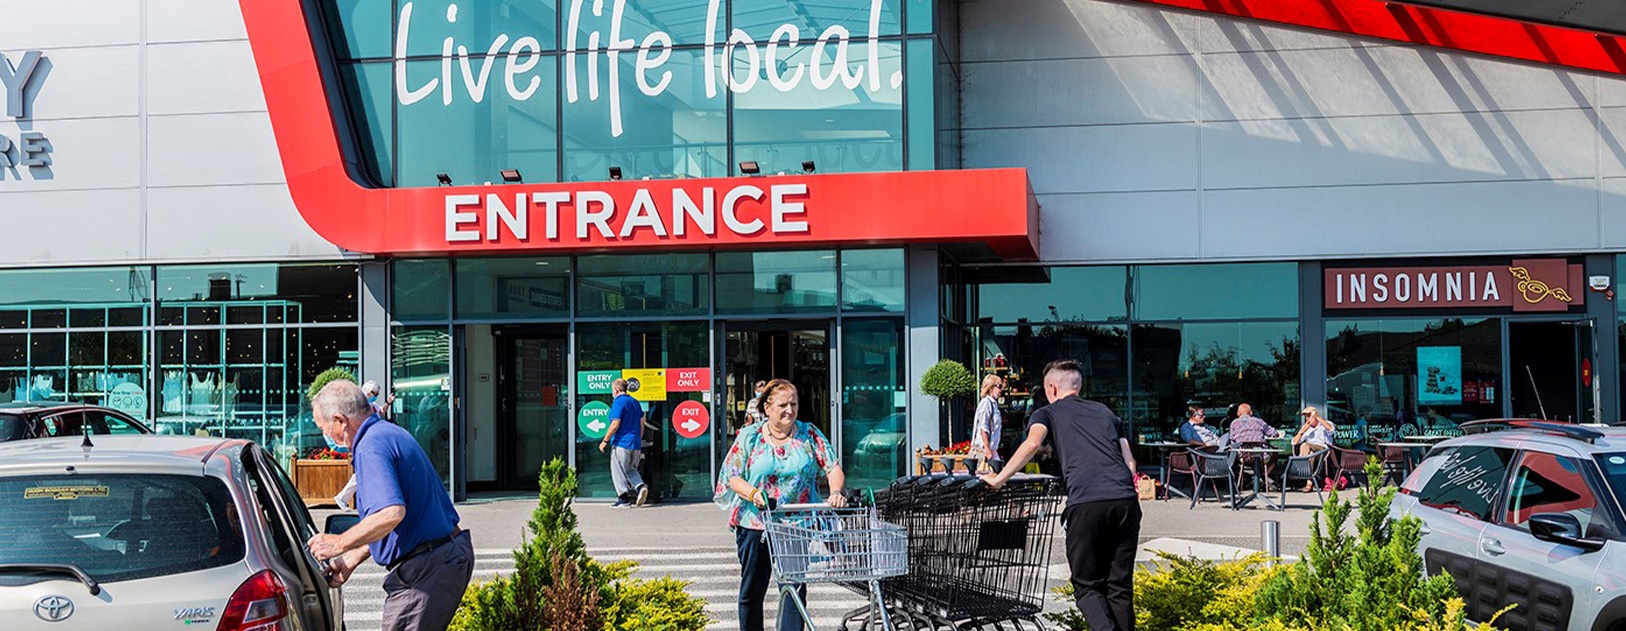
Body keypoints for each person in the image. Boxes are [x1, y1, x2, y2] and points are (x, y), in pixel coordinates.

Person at [982, 360, 1139, 631]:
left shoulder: (1047, 412)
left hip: (1086, 500)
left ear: (1052, 388)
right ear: (1079, 386)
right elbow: (1130, 463)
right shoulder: (1106, 413)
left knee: (1087, 586)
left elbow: (1032, 443)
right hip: (1125, 500)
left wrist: (998, 479)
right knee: (1119, 586)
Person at [305, 380, 472, 631]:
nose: (326, 436)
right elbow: (393, 522)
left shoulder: (370, 447)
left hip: (426, 568)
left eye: (324, 428)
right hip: (440, 557)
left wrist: (339, 543)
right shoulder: (387, 433)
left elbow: (390, 514)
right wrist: (352, 557)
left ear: (340, 421)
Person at [715, 379, 847, 631]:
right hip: (755, 523)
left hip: (796, 525)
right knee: (753, 588)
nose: (790, 410)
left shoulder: (809, 434)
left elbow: (832, 467)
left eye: (794, 404)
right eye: (783, 405)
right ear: (767, 408)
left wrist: (835, 492)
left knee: (794, 589)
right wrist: (754, 494)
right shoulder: (750, 436)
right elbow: (733, 476)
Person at [600, 378, 649, 508]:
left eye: (612, 390)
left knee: (618, 470)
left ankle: (623, 499)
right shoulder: (635, 402)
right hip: (635, 443)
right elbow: (642, 423)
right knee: (630, 469)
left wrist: (605, 441)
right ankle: (641, 487)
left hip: (621, 443)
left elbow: (615, 424)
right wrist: (638, 439)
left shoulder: (618, 402)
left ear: (616, 390)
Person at [1290, 405, 1337, 492]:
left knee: (1305, 445)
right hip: (1312, 452)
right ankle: (1309, 482)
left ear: (1315, 416)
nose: (1307, 419)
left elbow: (1331, 430)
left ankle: (1301, 469)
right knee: (1311, 453)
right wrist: (1301, 432)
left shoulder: (1324, 424)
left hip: (1323, 450)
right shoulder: (1307, 429)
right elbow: (1294, 442)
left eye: (1309, 416)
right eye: (1306, 417)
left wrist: (1318, 417)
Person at [971, 374, 1005, 471]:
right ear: (990, 387)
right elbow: (983, 427)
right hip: (983, 450)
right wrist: (987, 448)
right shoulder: (986, 403)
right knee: (989, 476)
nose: (1001, 389)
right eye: (999, 386)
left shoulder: (993, 404)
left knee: (998, 474)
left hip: (991, 449)